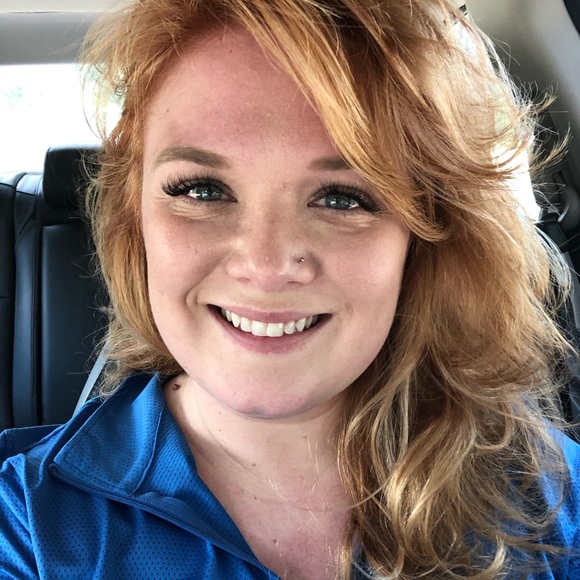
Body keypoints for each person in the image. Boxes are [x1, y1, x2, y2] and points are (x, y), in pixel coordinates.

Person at [1, 0, 579, 578]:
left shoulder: (550, 497)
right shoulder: (27, 524)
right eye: (202, 190)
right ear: (137, 217)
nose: (266, 265)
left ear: (422, 239)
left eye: (343, 198)